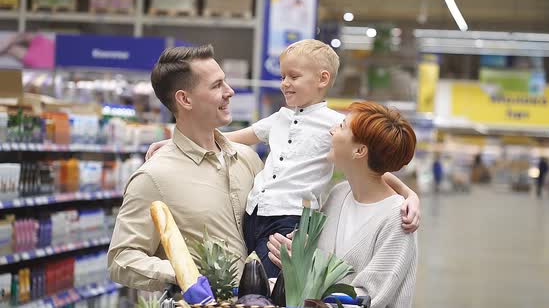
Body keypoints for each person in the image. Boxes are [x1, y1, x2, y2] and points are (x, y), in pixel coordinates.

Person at [146, 40, 421, 278]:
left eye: (293, 76)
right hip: (254, 213)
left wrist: (409, 194)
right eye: (282, 77)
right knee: (244, 277)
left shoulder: (337, 126)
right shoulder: (279, 118)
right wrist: (175, 142)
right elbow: (232, 137)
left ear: (322, 79)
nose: (284, 84)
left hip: (290, 220)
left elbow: (371, 167)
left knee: (267, 284)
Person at [107, 45, 264, 292]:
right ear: (184, 99)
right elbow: (121, 258)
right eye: (217, 85)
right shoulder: (154, 176)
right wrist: (181, 273)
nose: (230, 91)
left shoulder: (248, 159)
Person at [267, 101, 418, 308]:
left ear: (359, 151)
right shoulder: (339, 193)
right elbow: (319, 261)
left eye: (342, 127)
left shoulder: (398, 220)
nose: (331, 131)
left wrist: (304, 271)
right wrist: (297, 256)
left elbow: (369, 299)